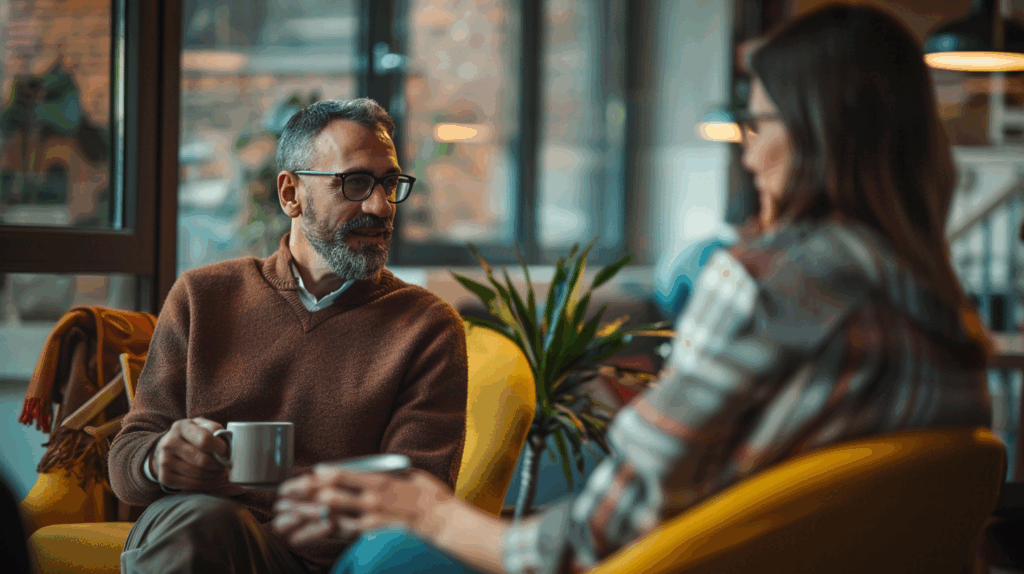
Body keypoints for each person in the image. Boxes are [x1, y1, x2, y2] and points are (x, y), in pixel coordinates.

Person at [270, 5, 993, 574]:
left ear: (814, 134)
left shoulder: (765, 283)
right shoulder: (937, 306)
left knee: (386, 558)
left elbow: (585, 544)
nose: (747, 149)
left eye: (757, 120)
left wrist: (426, 513)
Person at [108, 98, 468, 574]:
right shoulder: (203, 296)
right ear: (291, 194)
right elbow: (128, 460)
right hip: (200, 533)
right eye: (356, 182)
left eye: (389, 183)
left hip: (332, 558)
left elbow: (417, 495)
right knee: (203, 522)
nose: (380, 206)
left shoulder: (427, 327)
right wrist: (159, 460)